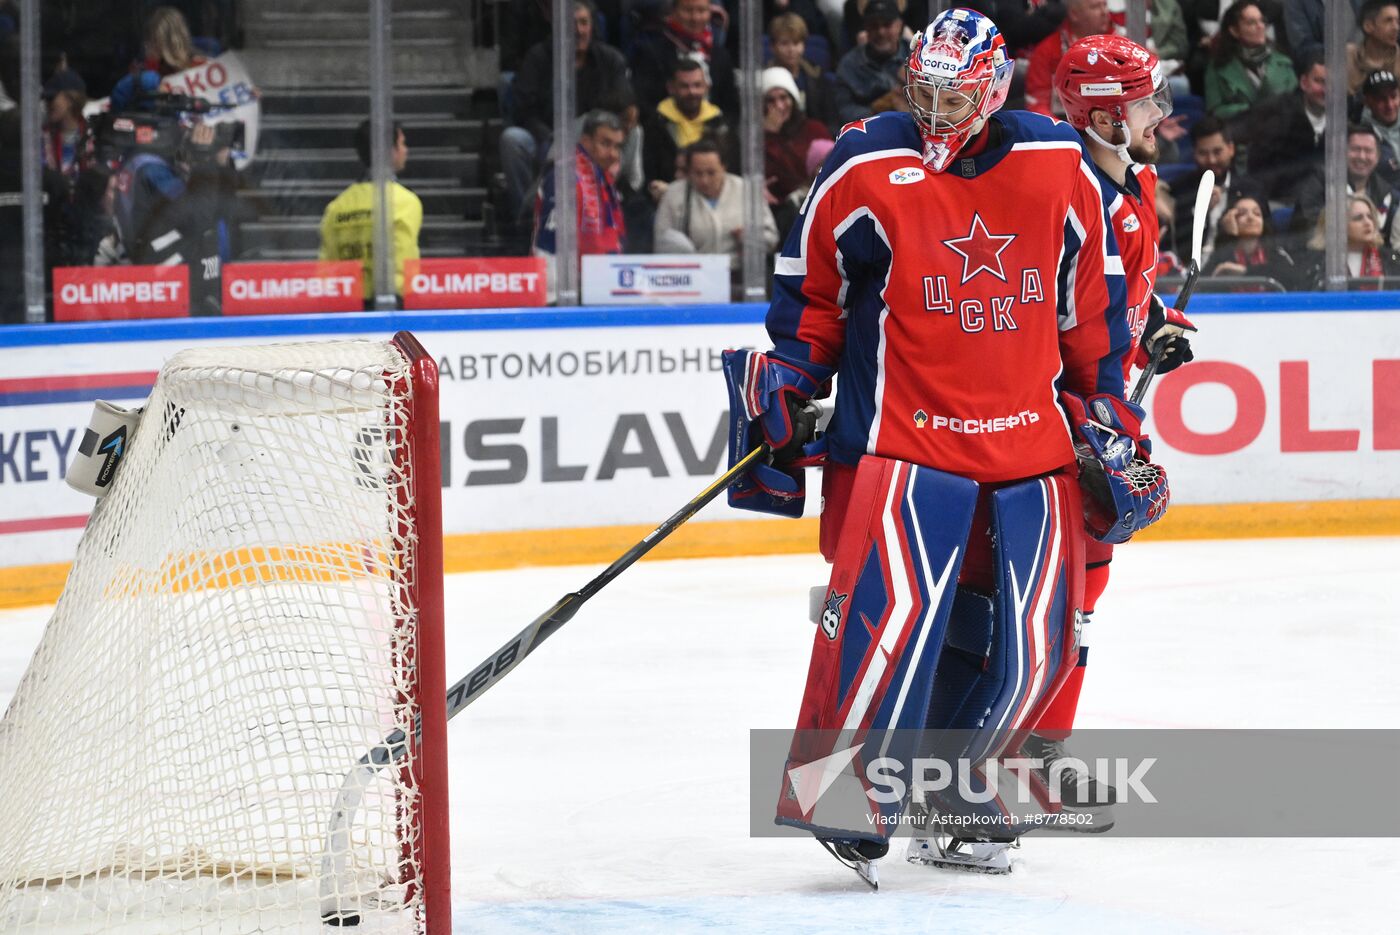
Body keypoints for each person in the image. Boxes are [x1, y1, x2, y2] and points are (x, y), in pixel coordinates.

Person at [722, 8, 1166, 885]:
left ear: (995, 89)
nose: (933, 108)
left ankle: (956, 794)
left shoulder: (1052, 160)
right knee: (886, 625)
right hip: (898, 441)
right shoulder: (863, 161)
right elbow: (813, 290)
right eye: (920, 90)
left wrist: (1105, 403)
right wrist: (793, 377)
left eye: (953, 93)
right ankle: (849, 794)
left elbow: (1092, 305)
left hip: (1028, 447)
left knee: (1030, 638)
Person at [1031, 31, 1196, 823]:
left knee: (1086, 591)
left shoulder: (1130, 181)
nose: (1159, 116)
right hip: (1062, 426)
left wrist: (1154, 319)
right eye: (1142, 104)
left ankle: (1040, 754)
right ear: (1100, 118)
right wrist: (1082, 420)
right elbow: (1047, 318)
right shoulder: (1066, 197)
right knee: (1047, 596)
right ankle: (1005, 757)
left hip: (1108, 416)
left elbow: (1119, 297)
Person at [499, 0, 634, 225]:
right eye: (572, 23)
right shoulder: (538, 57)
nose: (579, 30)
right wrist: (551, 138)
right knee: (512, 140)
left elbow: (623, 103)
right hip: (548, 137)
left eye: (584, 23)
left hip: (596, 137)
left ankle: (611, 209)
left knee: (634, 133)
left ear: (592, 26)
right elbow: (524, 110)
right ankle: (528, 218)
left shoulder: (610, 59)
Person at [319, 119, 422, 308]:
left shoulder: (337, 206)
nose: (406, 150)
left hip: (346, 307)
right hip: (395, 304)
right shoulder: (406, 202)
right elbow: (403, 266)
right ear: (390, 150)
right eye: (402, 144)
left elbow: (327, 268)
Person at [533, 109, 628, 290]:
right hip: (568, 292)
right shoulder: (564, 177)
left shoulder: (605, 179)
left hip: (602, 285)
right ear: (585, 141)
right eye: (606, 144)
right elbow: (550, 246)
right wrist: (555, 300)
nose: (613, 154)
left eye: (617, 147)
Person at [653, 137, 778, 259]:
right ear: (689, 171)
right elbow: (661, 241)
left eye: (711, 173)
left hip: (737, 274)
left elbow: (771, 237)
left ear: (724, 167)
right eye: (698, 173)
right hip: (693, 273)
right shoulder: (674, 194)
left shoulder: (746, 190)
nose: (705, 180)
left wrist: (748, 237)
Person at [1288, 124, 1400, 247]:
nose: (1362, 156)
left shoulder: (1386, 193)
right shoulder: (1320, 180)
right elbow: (1307, 226)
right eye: (1355, 149)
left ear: (1378, 157)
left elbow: (1386, 243)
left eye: (1368, 151)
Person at [642, 58, 734, 201]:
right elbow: (649, 172)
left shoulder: (720, 123)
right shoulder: (655, 123)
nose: (692, 92)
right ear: (671, 88)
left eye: (697, 85)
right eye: (684, 86)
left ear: (706, 87)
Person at [1245, 50, 1327, 204]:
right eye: (1319, 81)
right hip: (1280, 201)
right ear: (1303, 83)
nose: (1326, 90)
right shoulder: (1277, 117)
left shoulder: (1343, 119)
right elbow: (1259, 171)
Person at [630, 0, 740, 114]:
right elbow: (643, 101)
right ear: (673, 11)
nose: (695, 18)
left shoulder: (721, 56)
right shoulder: (650, 51)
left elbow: (730, 106)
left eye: (701, 11)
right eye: (688, 10)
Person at [1203, 1, 1297, 124]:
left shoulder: (1283, 62)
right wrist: (1251, 111)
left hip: (1279, 134)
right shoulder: (1217, 66)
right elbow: (1215, 111)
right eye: (1251, 22)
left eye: (1262, 20)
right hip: (1237, 134)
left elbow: (1295, 105)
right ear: (1234, 31)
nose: (1260, 26)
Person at [110, 6, 212, 111]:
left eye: (153, 40)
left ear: (167, 43)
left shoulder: (204, 67)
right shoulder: (143, 73)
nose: (147, 45)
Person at [1023, 0, 1112, 116]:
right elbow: (1037, 104)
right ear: (1074, 14)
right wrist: (1061, 131)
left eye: (1105, 5)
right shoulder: (1047, 51)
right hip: (1063, 125)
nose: (1104, 12)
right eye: (1095, 7)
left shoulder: (1121, 45)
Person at [761, 67, 833, 209]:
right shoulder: (758, 140)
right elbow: (778, 178)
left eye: (783, 97)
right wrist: (770, 134)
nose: (779, 106)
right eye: (771, 100)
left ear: (793, 99)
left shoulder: (814, 129)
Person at [832, 0, 910, 124]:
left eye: (887, 24)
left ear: (899, 25)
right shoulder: (849, 66)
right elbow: (843, 111)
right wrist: (877, 111)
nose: (881, 32)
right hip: (868, 133)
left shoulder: (915, 57)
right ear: (865, 28)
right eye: (874, 26)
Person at [1300, 192, 1400, 289]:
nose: (1368, 222)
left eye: (1370, 217)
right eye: (1358, 218)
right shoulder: (1316, 262)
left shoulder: (1391, 258)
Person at [1203, 193, 1301, 289]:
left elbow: (1292, 279)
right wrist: (1227, 232)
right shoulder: (1220, 255)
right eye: (1241, 214)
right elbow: (1202, 286)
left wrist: (1245, 272)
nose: (1250, 217)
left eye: (1257, 213)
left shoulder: (1277, 252)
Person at [768, 11, 839, 130]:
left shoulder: (816, 75)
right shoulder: (765, 79)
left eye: (796, 43)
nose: (791, 50)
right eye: (784, 43)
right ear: (772, 47)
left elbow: (830, 120)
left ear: (804, 45)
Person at [1348, 0, 1400, 95]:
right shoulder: (1346, 57)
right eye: (1388, 21)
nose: (1396, 28)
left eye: (1398, 21)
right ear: (1368, 26)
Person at [1360, 68, 1400, 179]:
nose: (1390, 105)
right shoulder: (1360, 137)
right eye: (1381, 99)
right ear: (1367, 102)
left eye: (1394, 96)